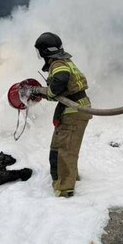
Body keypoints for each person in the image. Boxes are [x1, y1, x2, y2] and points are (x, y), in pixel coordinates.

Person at [34, 32, 92, 198]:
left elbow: (60, 80)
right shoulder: (65, 61)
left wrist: (46, 91)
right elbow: (61, 90)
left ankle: (64, 189)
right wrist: (43, 92)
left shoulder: (58, 64)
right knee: (62, 147)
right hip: (75, 108)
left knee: (64, 150)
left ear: (44, 51)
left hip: (74, 111)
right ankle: (69, 178)